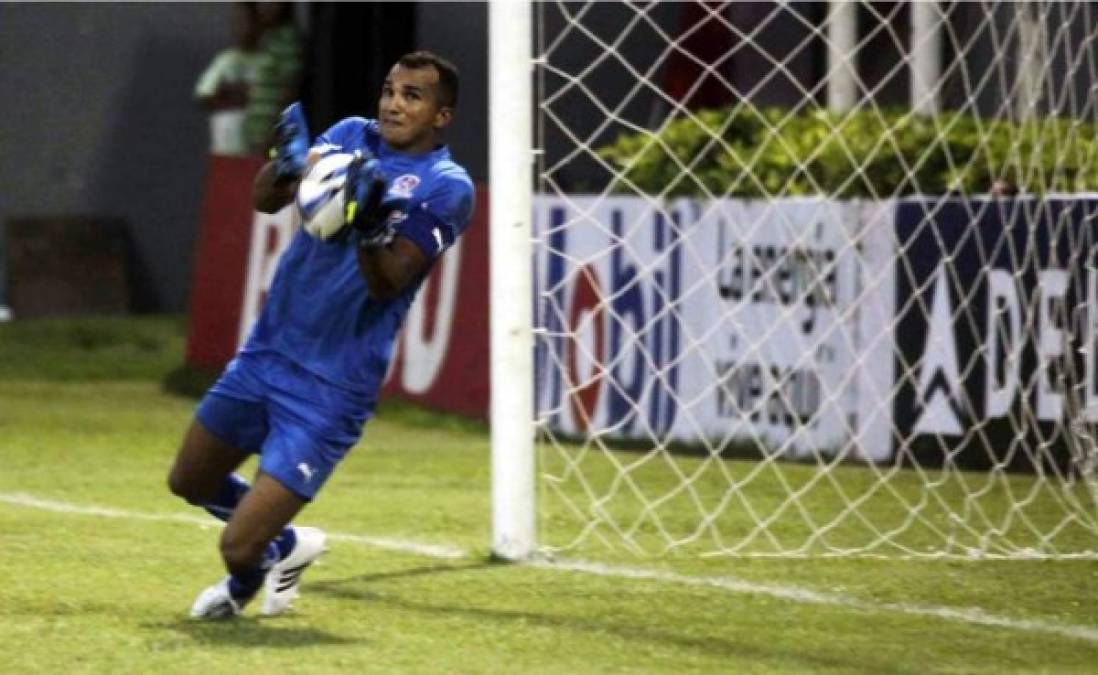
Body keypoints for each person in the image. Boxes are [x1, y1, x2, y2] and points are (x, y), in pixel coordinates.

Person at [168, 50, 474, 619]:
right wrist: (285, 165)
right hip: (266, 354)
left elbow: (389, 282)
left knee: (235, 546)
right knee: (189, 479)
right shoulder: (347, 135)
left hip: (330, 388)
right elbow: (265, 201)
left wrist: (362, 220)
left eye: (412, 95)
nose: (392, 103)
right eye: (389, 88)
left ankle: (246, 580)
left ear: (441, 116)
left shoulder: (447, 187)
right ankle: (284, 546)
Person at [194, 3, 262, 156]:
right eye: (238, 22)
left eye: (247, 21)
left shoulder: (267, 62)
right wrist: (235, 92)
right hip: (225, 147)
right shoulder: (225, 61)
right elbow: (204, 94)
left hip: (257, 148)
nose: (243, 27)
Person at [244, 2, 304, 154]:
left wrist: (274, 131)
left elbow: (290, 88)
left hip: (272, 135)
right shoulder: (266, 37)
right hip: (255, 134)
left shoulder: (287, 37)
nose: (265, 6)